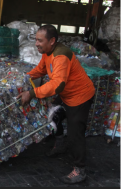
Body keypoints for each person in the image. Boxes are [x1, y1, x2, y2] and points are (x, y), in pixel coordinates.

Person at [17, 25, 95, 184]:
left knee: (75, 134)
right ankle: (59, 144)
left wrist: (31, 93)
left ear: (52, 41)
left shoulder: (61, 56)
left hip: (79, 96)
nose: (36, 43)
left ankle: (80, 170)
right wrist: (22, 78)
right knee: (52, 114)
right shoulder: (47, 52)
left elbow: (57, 85)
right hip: (67, 94)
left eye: (40, 40)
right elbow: (40, 70)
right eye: (36, 40)